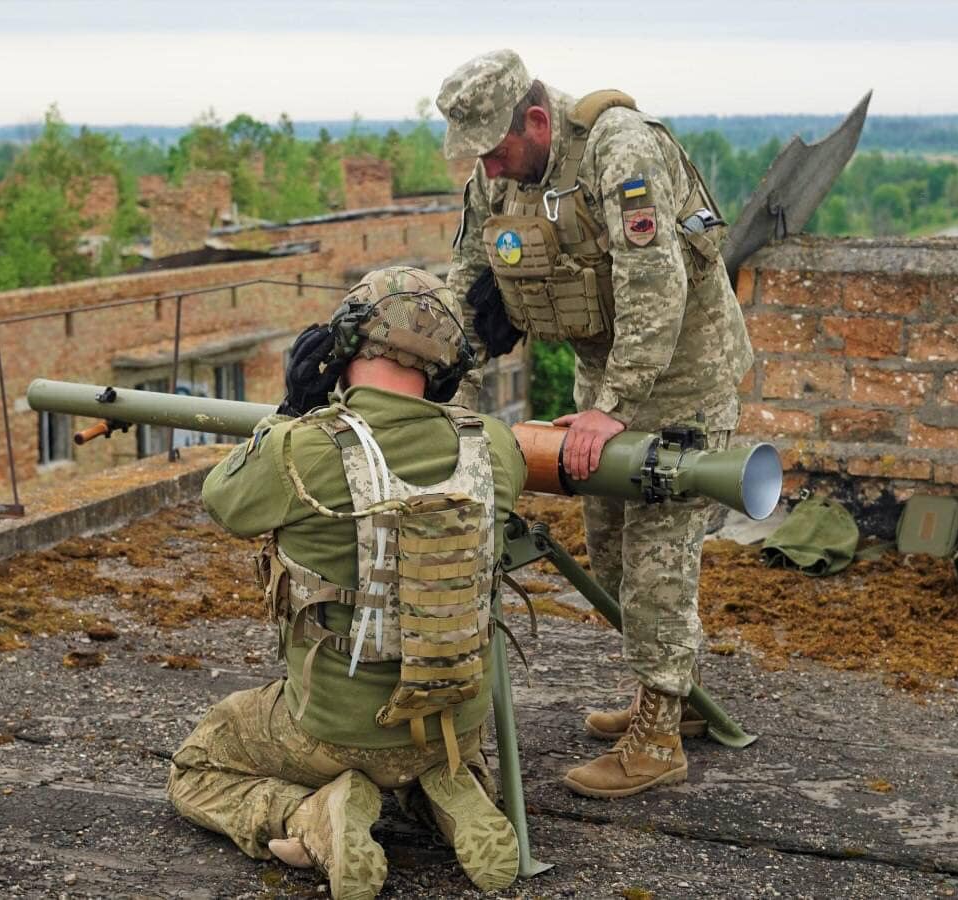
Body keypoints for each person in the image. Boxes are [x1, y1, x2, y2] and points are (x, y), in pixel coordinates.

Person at [436, 49, 754, 799]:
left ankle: (658, 738)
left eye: (497, 148)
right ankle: (673, 692)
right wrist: (452, 400)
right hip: (602, 376)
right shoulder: (498, 175)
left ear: (537, 122)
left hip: (683, 376)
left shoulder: (621, 148)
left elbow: (656, 283)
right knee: (610, 560)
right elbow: (469, 285)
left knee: (655, 557)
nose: (489, 167)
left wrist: (614, 409)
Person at [165, 266, 528, 900]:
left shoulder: (302, 449)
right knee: (435, 749)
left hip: (333, 730)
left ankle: (311, 814)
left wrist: (291, 410)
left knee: (196, 766)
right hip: (455, 720)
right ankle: (450, 787)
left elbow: (223, 500)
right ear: (445, 365)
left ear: (342, 344)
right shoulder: (493, 445)